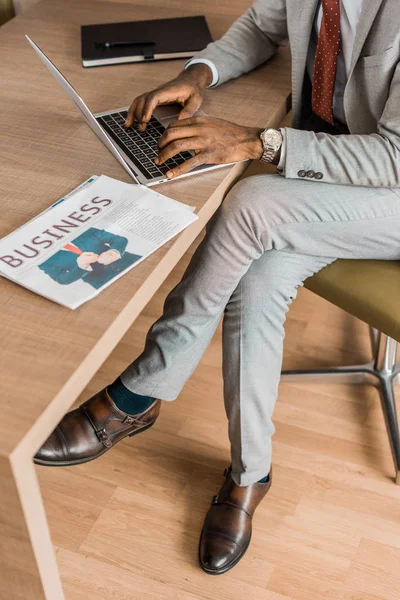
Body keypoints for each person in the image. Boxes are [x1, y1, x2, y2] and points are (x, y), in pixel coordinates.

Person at [35, 0, 400, 576]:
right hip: (332, 180)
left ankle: (137, 393)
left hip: (392, 190)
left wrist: (260, 142)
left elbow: (395, 157)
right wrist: (195, 75)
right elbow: (261, 27)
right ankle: (250, 474)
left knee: (253, 201)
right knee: (255, 282)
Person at [39, 227, 142, 289]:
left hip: (133, 262)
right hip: (105, 283)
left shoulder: (82, 229)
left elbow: (119, 240)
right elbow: (61, 279)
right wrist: (81, 267)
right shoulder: (42, 258)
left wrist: (113, 252)